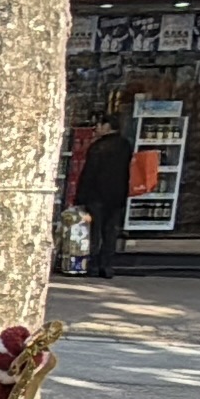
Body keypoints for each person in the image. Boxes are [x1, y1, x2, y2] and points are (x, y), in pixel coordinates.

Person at [68, 111, 133, 282]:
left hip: (96, 195)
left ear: (107, 126)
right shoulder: (125, 145)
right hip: (117, 195)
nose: (96, 128)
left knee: (95, 231)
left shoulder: (98, 147)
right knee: (110, 231)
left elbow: (89, 173)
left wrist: (80, 196)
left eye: (99, 125)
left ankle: (93, 265)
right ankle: (107, 265)